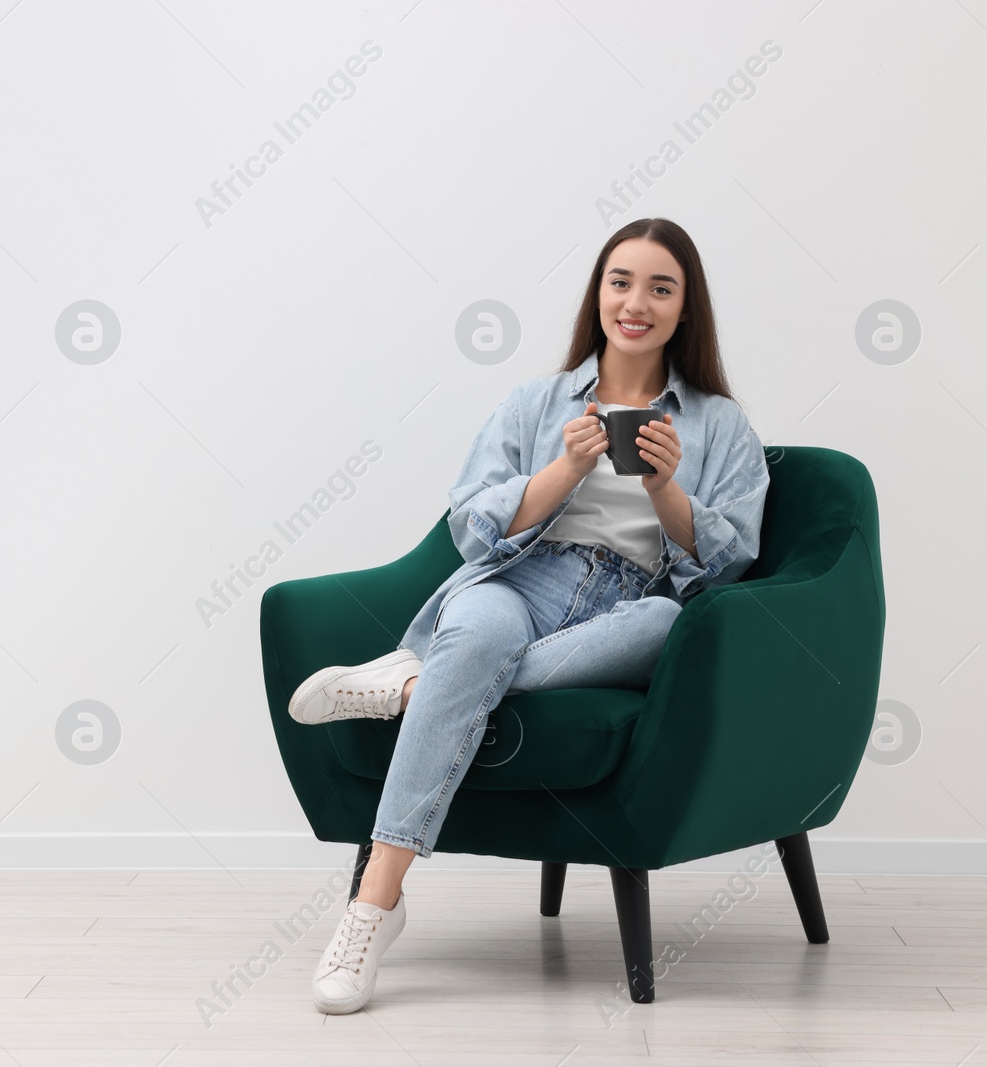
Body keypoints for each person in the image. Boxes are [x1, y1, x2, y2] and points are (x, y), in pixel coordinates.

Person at [287, 217, 772, 1015]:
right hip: (518, 580)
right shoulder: (536, 401)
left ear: (687, 309)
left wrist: (664, 490)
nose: (636, 302)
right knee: (476, 635)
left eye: (661, 287)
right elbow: (470, 528)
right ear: (598, 293)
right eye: (621, 281)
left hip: (627, 603)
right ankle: (373, 907)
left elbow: (730, 563)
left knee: (660, 627)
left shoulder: (720, 425)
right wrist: (566, 468)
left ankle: (417, 686)